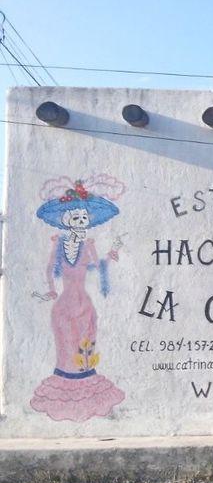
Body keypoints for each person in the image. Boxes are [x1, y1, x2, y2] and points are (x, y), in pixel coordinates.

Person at [31, 179, 125, 422]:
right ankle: (65, 394)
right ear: (67, 221)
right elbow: (50, 268)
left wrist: (113, 252)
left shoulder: (88, 245)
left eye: (85, 219)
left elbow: (98, 266)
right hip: (63, 305)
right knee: (65, 348)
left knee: (84, 347)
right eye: (77, 219)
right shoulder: (59, 244)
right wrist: (50, 290)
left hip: (83, 304)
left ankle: (85, 395)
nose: (82, 223)